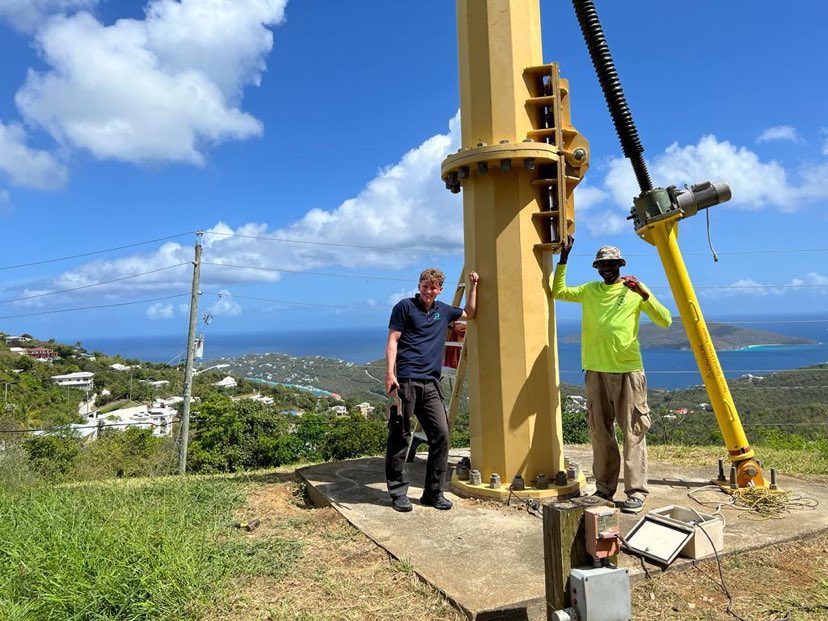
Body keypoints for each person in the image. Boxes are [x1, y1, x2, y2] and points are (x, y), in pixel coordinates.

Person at [552, 237, 671, 513]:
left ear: (620, 264)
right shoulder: (590, 290)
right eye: (602, 264)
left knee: (633, 431)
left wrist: (643, 292)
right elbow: (558, 292)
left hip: (628, 370)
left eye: (612, 263)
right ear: (597, 267)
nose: (607, 268)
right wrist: (564, 258)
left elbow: (664, 320)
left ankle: (636, 492)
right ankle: (604, 487)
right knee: (600, 431)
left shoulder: (634, 291)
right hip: (595, 370)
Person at [385, 267, 479, 512]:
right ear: (419, 286)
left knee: (441, 434)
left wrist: (473, 287)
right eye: (425, 286)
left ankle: (433, 493)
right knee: (400, 436)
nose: (429, 291)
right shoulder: (404, 307)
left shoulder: (444, 311)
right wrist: (390, 373)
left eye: (433, 287)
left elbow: (469, 313)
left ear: (440, 289)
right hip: (405, 381)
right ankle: (398, 492)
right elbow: (393, 340)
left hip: (431, 383)